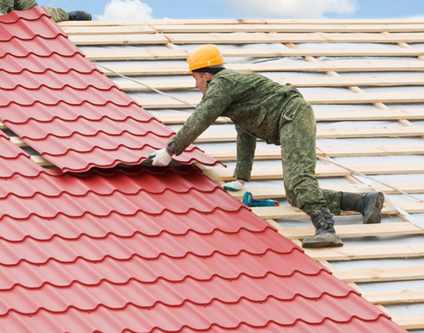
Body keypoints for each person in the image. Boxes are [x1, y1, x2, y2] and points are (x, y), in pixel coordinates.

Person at [150, 44, 385, 248]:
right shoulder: (234, 95)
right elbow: (245, 132)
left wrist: (170, 150)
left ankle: (326, 230)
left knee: (299, 180)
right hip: (291, 118)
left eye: (195, 77)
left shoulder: (222, 84)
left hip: (292, 115)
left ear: (207, 75)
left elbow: (200, 118)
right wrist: (241, 177)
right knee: (294, 194)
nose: (195, 85)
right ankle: (364, 202)